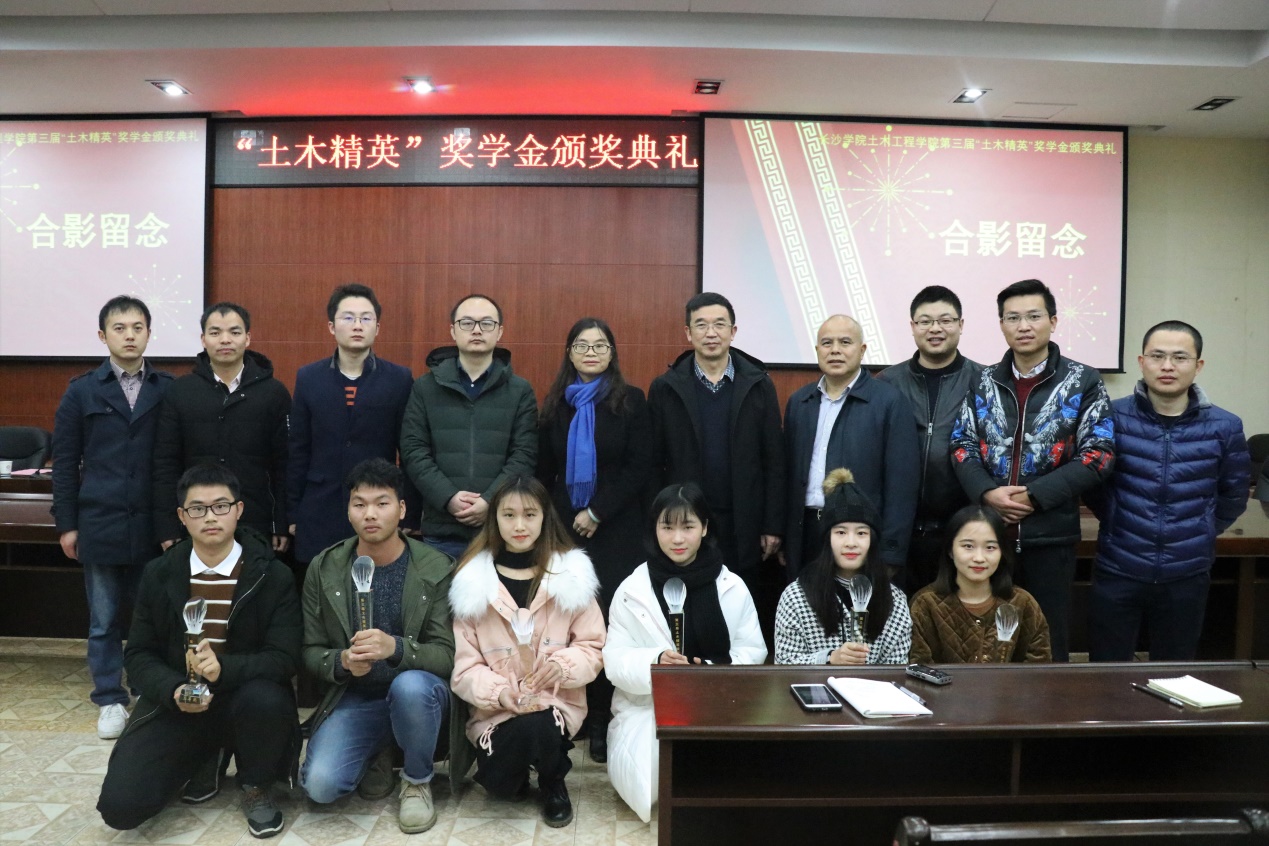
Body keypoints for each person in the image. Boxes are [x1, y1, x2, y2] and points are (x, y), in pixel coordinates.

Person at [97, 464, 301, 839]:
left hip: (246, 697)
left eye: (221, 506)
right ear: (182, 516)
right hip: (180, 699)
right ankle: (206, 755)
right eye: (197, 508)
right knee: (120, 807)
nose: (210, 517)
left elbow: (285, 658)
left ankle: (255, 784)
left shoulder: (271, 575)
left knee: (266, 699)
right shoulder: (160, 573)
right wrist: (174, 690)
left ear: (239, 510)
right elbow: (138, 655)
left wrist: (224, 669)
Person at [950, 278, 1115, 662]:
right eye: (1013, 318)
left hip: (1050, 536)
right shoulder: (983, 381)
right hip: (989, 537)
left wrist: (1035, 496)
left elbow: (1100, 454)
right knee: (984, 641)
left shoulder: (1083, 380)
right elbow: (961, 445)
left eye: (1033, 316)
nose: (1023, 326)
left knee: (1047, 640)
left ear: (1053, 322)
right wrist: (987, 493)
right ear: (1001, 324)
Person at [300, 458, 455, 834]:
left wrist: (397, 649)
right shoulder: (324, 567)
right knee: (320, 786)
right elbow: (310, 650)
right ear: (348, 511)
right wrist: (342, 662)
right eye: (359, 504)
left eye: (381, 503)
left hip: (419, 695)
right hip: (357, 696)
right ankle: (381, 749)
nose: (370, 514)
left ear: (401, 509)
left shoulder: (436, 567)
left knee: (410, 686)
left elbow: (448, 656)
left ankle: (416, 781)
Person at [1086, 321, 1250, 662]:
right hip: (1119, 567)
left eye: (1180, 357)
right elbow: (1093, 485)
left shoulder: (1225, 426)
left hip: (1187, 573)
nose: (1167, 366)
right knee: (1106, 671)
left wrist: (1199, 529)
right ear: (1141, 361)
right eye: (1157, 356)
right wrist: (1118, 519)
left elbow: (1233, 495)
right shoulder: (1111, 417)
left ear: (1198, 365)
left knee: (1174, 673)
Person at [448, 476, 604, 828]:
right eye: (509, 515)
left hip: (554, 705)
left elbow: (593, 646)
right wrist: (499, 692)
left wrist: (562, 667)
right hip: (496, 713)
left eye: (530, 515)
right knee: (502, 786)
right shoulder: (472, 584)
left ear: (545, 517)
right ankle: (514, 771)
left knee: (540, 725)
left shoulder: (572, 575)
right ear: (495, 519)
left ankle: (553, 781)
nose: (519, 525)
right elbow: (465, 668)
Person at [604, 483, 766, 823]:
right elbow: (614, 661)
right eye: (667, 527)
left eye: (688, 526)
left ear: (704, 528)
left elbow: (753, 651)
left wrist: (710, 669)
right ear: (654, 529)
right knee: (656, 779)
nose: (677, 538)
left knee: (742, 785)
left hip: (718, 702)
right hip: (649, 708)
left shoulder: (732, 587)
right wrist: (656, 662)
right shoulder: (632, 590)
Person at [52, 295, 173, 740]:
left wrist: (173, 524)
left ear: (149, 333)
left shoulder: (167, 388)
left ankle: (146, 688)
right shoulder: (82, 390)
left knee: (149, 616)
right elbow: (65, 463)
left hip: (151, 525)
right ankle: (109, 698)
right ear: (103, 336)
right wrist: (67, 524)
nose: (129, 335)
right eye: (119, 328)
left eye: (137, 327)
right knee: (103, 620)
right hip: (99, 520)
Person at [537, 317, 653, 763]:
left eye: (600, 345)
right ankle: (571, 709)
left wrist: (598, 511)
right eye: (582, 345)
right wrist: (562, 523)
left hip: (616, 529)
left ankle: (602, 715)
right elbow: (544, 472)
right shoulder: (555, 405)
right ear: (569, 352)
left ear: (612, 353)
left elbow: (639, 466)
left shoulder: (630, 401)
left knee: (606, 621)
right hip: (565, 531)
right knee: (566, 620)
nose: (591, 352)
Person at [648, 291, 784, 643]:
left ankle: (738, 670)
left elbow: (774, 460)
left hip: (744, 518)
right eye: (701, 325)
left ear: (733, 331)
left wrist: (771, 524)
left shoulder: (758, 384)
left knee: (740, 608)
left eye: (719, 324)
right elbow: (654, 462)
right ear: (688, 333)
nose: (711, 333)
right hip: (687, 521)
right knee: (690, 605)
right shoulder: (666, 388)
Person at [401, 293, 538, 560]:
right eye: (467, 323)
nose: (476, 330)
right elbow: (413, 451)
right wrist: (448, 498)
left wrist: (490, 501)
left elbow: (525, 454)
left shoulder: (520, 390)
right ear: (453, 331)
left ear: (499, 332)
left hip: (500, 530)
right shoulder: (426, 388)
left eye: (486, 323)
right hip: (442, 531)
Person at [784, 313, 919, 580]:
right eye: (827, 343)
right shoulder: (800, 402)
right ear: (817, 350)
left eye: (845, 342)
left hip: (859, 536)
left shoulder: (889, 402)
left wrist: (891, 551)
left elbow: (902, 485)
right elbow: (785, 473)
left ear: (862, 349)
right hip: (805, 532)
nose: (835, 350)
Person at [288, 284, 416, 563]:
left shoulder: (399, 379)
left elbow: (408, 451)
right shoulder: (309, 378)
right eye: (348, 317)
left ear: (377, 328)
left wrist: (408, 511)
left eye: (366, 318)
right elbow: (298, 449)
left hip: (377, 508)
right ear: (331, 327)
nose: (357, 325)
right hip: (319, 507)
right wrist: (293, 512)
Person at [153, 302, 292, 552]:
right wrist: (168, 526)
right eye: (215, 332)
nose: (225, 340)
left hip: (256, 521)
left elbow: (284, 465)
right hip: (194, 522)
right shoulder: (180, 391)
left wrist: (279, 522)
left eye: (234, 332)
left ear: (247, 338)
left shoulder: (274, 393)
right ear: (203, 339)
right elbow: (165, 464)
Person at [878, 286, 984, 590]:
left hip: (962, 530)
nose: (935, 328)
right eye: (925, 321)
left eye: (945, 320)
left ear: (961, 325)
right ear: (913, 327)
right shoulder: (887, 383)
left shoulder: (985, 381)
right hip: (898, 531)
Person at [774, 469, 911, 665]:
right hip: (814, 685)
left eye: (861, 533)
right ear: (827, 539)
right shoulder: (796, 596)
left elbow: (897, 667)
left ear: (872, 540)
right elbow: (784, 662)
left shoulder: (894, 600)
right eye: (841, 532)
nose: (851, 543)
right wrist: (830, 658)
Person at [908, 505, 1051, 664]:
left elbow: (1038, 667)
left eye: (990, 547)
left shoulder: (1023, 603)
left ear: (1002, 551)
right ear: (950, 550)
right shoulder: (925, 604)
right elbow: (919, 667)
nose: (979, 558)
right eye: (968, 546)